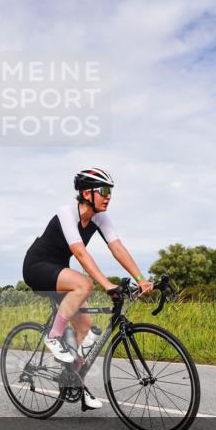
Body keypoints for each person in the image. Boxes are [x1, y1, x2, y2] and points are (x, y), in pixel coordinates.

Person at [22, 168, 153, 408]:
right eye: (103, 191)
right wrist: (106, 285)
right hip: (37, 267)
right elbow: (80, 253)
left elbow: (117, 247)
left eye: (110, 191)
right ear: (85, 193)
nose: (108, 196)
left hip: (61, 273)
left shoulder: (100, 218)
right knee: (85, 284)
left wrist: (141, 278)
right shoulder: (67, 213)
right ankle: (53, 337)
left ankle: (75, 382)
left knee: (87, 330)